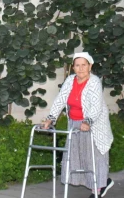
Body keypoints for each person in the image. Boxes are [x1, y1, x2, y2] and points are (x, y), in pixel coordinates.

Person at [40, 52, 115, 198]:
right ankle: (100, 180)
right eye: (77, 65)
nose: (80, 69)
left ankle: (98, 188)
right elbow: (60, 100)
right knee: (79, 156)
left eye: (84, 65)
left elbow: (96, 106)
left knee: (95, 156)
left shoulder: (94, 82)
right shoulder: (70, 80)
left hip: (93, 124)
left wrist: (88, 121)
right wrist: (50, 118)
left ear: (90, 66)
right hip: (74, 123)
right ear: (73, 67)